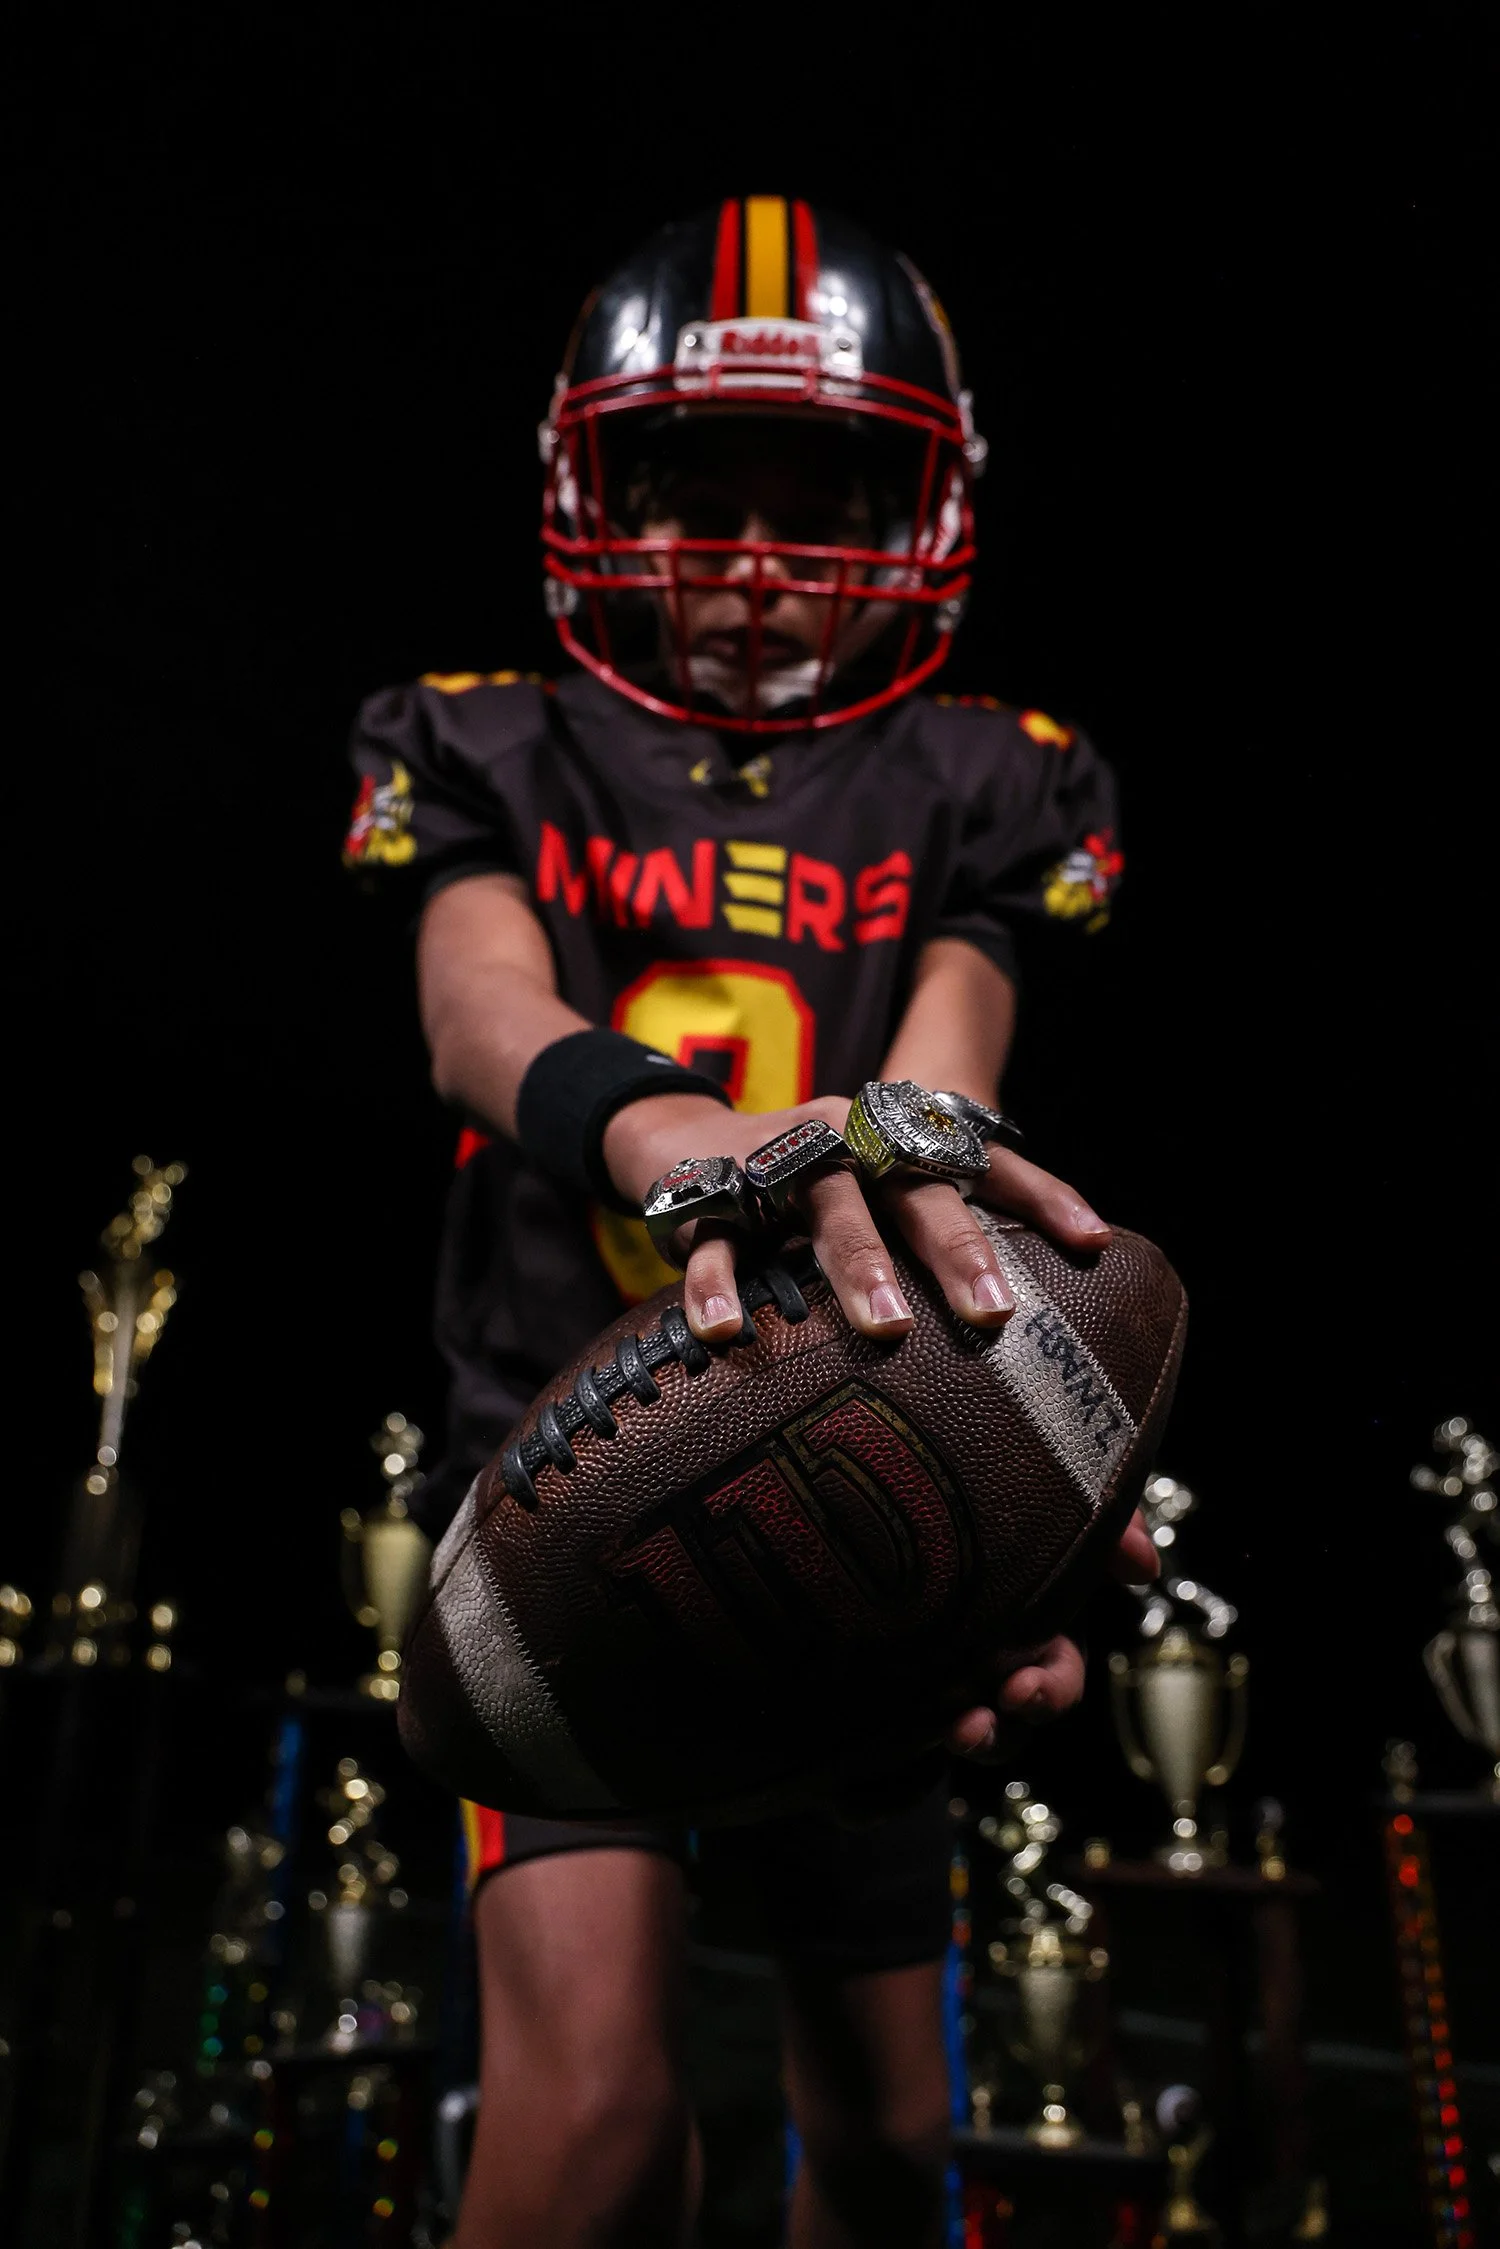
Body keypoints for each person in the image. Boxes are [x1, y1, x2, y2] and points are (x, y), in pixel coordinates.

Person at [346, 194, 1154, 2249]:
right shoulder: (486, 738)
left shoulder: (985, 780)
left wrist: (1020, 1427)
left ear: (920, 515)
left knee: (888, 2145)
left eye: (825, 504)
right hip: (569, 1461)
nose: (762, 561)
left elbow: (938, 1096)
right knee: (596, 2120)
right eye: (703, 500)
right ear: (605, 499)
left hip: (848, 1434)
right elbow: (476, 1013)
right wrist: (676, 1130)